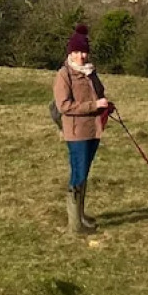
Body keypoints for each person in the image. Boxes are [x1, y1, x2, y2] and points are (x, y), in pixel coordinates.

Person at [53, 23, 112, 234]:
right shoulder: (64, 75)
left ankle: (81, 216)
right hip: (76, 133)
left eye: (84, 52)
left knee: (84, 173)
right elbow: (63, 106)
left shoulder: (90, 72)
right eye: (77, 52)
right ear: (70, 53)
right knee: (77, 174)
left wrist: (104, 104)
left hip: (93, 130)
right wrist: (93, 106)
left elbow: (99, 92)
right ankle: (75, 225)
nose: (81, 57)